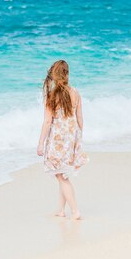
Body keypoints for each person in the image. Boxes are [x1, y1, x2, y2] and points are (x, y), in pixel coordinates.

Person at [37, 60, 89, 220]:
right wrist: (78, 137)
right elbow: (80, 118)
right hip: (71, 137)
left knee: (61, 176)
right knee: (62, 175)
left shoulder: (51, 96)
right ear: (67, 74)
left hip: (58, 140)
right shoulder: (75, 92)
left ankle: (75, 211)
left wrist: (40, 143)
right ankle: (61, 210)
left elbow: (47, 122)